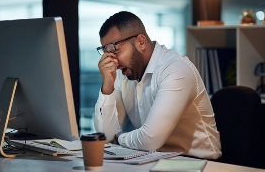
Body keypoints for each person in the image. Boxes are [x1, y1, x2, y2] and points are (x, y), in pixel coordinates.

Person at [94, 11, 222, 159]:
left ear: (141, 42)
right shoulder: (123, 73)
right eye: (107, 55)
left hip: (198, 162)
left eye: (115, 52)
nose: (113, 62)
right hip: (155, 159)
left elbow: (150, 139)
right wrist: (107, 87)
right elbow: (105, 135)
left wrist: (120, 138)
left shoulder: (175, 69)